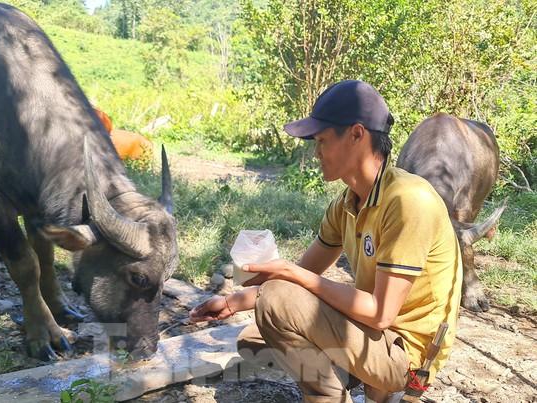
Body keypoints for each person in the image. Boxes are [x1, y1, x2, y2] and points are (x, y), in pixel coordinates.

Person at [189, 80, 463, 403]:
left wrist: (289, 274)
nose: (316, 152)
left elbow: (379, 314)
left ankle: (360, 394)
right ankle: (352, 380)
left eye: (321, 140)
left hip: (407, 357)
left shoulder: (407, 200)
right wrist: (234, 302)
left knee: (275, 302)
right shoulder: (347, 203)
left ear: (357, 135)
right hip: (374, 338)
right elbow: (303, 275)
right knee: (254, 336)